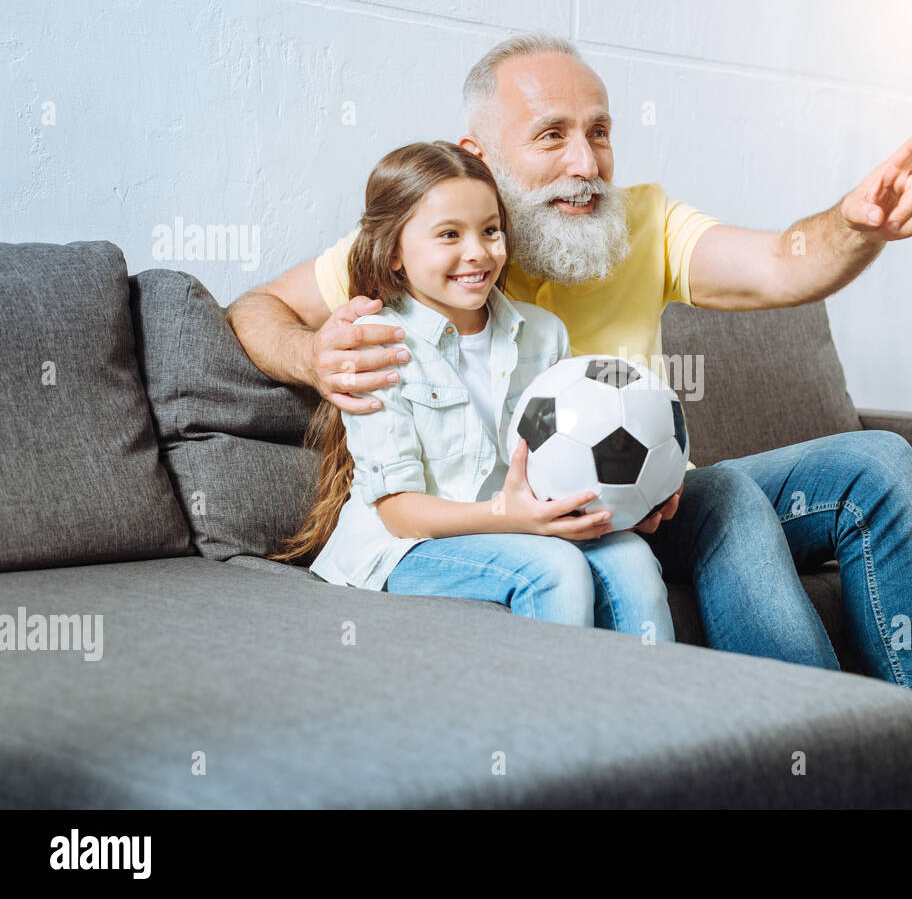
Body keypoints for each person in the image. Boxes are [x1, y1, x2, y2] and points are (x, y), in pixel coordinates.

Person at [230, 31, 912, 808]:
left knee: (877, 464)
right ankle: (823, 777)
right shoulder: (431, 236)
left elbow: (782, 262)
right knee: (734, 506)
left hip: (658, 497)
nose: (586, 163)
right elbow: (253, 309)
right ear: (479, 156)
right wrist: (312, 356)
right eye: (551, 135)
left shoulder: (642, 222)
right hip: (527, 517)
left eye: (599, 131)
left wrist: (856, 224)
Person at [272, 140, 674, 644]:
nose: (478, 253)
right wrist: (512, 519)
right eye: (448, 235)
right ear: (395, 253)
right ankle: (554, 720)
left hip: (514, 527)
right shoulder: (376, 345)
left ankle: (655, 712)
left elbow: (572, 454)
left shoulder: (544, 335)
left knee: (632, 558)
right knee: (554, 568)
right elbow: (398, 511)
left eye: (490, 231)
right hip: (405, 544)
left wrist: (635, 493)